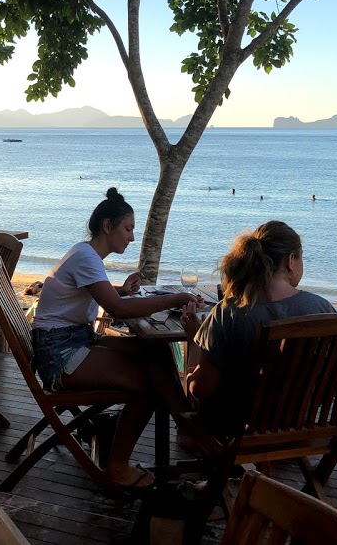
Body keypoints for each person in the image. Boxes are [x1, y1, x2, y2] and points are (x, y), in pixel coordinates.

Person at [30, 187, 202, 490]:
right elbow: (118, 309)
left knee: (156, 352)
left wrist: (121, 290)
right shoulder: (86, 256)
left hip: (73, 339)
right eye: (128, 228)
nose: (132, 237)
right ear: (107, 227)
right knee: (147, 384)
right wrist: (174, 299)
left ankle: (187, 427)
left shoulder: (85, 254)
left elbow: (104, 297)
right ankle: (118, 466)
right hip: (61, 354)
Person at [181, 221, 336, 430]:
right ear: (291, 260)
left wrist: (193, 343)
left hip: (237, 429)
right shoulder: (322, 309)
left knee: (169, 371)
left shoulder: (229, 312)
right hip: (299, 425)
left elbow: (200, 390)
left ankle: (189, 436)